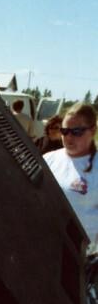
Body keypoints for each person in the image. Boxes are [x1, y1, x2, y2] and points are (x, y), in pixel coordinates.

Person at [43, 102, 98, 253]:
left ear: (93, 130)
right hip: (45, 248)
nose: (68, 137)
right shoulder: (48, 159)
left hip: (81, 258)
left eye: (77, 132)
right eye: (64, 131)